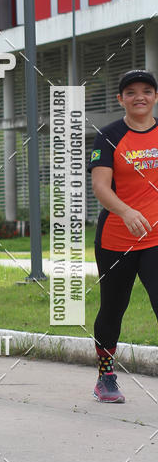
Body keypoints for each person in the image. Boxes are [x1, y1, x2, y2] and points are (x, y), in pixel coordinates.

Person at [89, 68, 158, 403]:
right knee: (113, 308)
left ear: (155, 97)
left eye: (147, 90)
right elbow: (100, 187)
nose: (139, 97)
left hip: (156, 239)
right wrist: (127, 211)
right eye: (131, 92)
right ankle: (106, 375)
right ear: (121, 99)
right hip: (117, 238)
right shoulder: (108, 136)